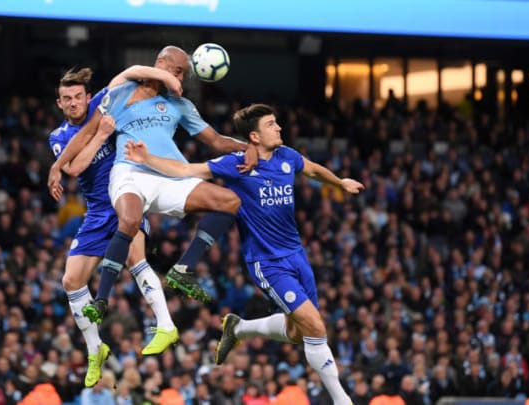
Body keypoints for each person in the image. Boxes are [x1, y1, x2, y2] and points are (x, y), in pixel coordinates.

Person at [123, 103, 364, 405]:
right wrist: (146, 159)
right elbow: (186, 170)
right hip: (267, 263)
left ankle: (240, 328)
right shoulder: (236, 165)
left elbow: (313, 169)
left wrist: (339, 183)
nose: (279, 128)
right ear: (254, 136)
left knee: (299, 332)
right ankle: (342, 400)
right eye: (271, 124)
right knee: (315, 326)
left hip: (297, 255)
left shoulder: (287, 156)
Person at [47, 45, 256, 322]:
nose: (179, 79)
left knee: (229, 201)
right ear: (161, 63)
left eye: (183, 75)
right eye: (177, 72)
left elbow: (216, 141)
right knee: (110, 250)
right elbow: (86, 135)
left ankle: (182, 272)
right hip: (129, 176)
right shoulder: (120, 95)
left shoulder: (181, 105)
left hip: (168, 175)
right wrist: (57, 165)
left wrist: (249, 147)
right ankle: (102, 309)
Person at [48, 67, 181, 387]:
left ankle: (166, 324)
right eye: (67, 99)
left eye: (78, 96)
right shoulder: (58, 137)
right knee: (70, 280)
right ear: (59, 103)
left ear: (88, 97)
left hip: (125, 196)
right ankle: (96, 349)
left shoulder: (104, 103)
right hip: (96, 212)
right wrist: (103, 135)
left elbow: (131, 72)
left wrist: (167, 77)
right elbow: (75, 167)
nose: (74, 103)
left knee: (137, 260)